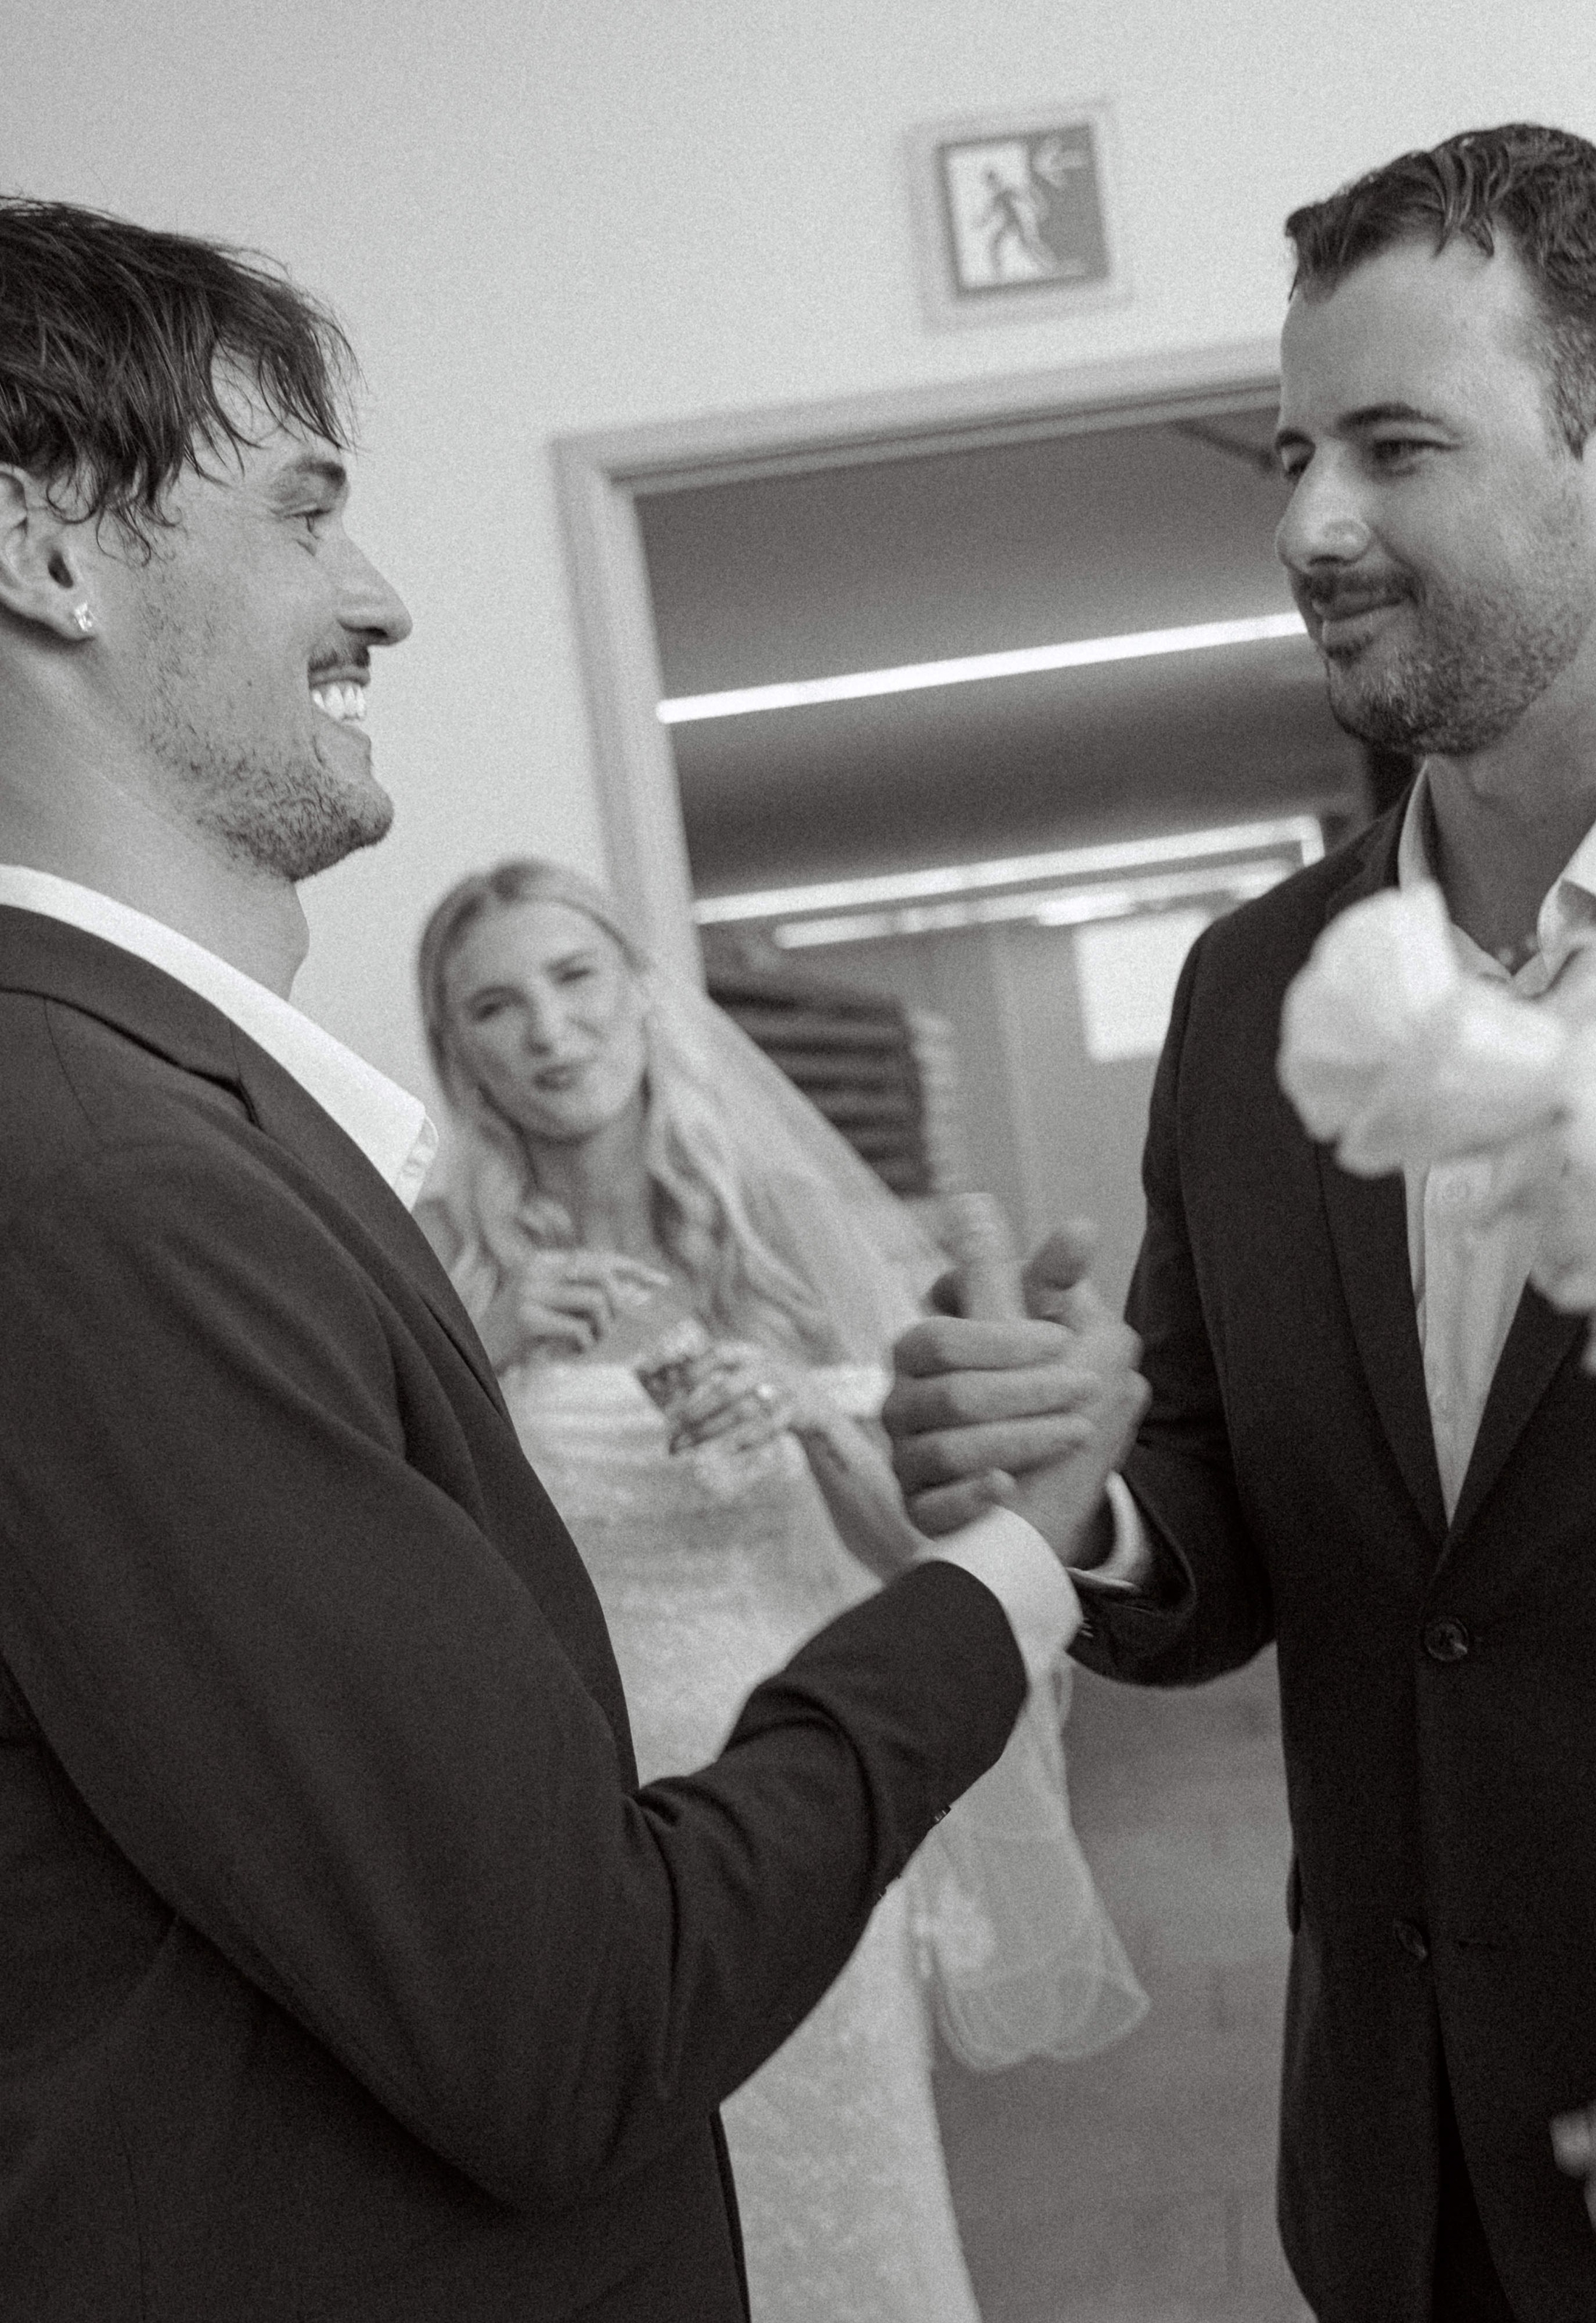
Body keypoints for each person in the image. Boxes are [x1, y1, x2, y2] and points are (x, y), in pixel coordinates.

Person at [0, 197, 1142, 2323]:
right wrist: (1004, 1566)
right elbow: (578, 2019)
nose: (384, 599)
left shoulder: (149, 1129)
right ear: (47, 548)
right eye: (304, 511)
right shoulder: (102, 1185)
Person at [883, 125, 1596, 2319]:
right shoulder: (1257, 993)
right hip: (1398, 2183)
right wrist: (1089, 1505)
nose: (1311, 526)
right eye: (1294, 450)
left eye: (1395, 445)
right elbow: (1242, 1507)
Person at [413, 857, 1146, 2323]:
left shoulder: (785, 1230)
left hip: (790, 1761)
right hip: (585, 1794)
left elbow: (922, 1564)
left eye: (572, 980)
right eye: (495, 1006)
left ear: (637, 985)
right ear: (459, 1050)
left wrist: (811, 1419)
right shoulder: (435, 1261)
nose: (548, 1032)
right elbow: (400, 1563)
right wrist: (478, 1357)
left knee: (845, 2165)